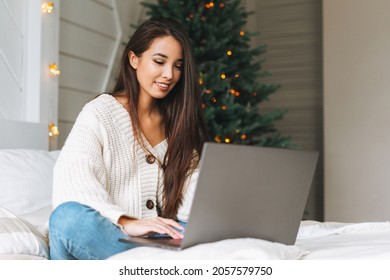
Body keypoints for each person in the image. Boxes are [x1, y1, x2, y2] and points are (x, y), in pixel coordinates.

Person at [48, 16, 209, 260]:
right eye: (159, 61)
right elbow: (73, 184)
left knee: (204, 231)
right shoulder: (100, 112)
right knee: (66, 218)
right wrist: (126, 221)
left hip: (157, 241)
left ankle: (152, 264)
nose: (169, 74)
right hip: (110, 235)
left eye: (178, 65)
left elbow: (192, 200)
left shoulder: (178, 124)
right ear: (134, 59)